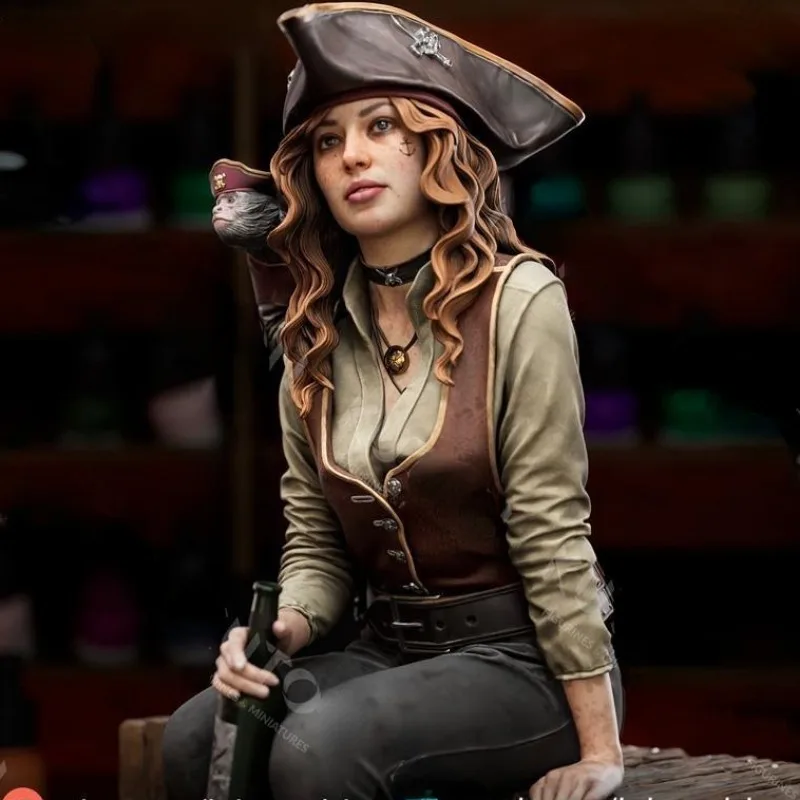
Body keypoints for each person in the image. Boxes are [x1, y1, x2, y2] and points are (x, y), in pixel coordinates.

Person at [162, 4, 625, 799]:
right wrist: (274, 635)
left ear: (435, 145)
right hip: (387, 655)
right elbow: (315, 544)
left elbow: (553, 531)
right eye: (328, 141)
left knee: (317, 748)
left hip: (524, 669)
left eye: (381, 126)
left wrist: (600, 750)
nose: (353, 155)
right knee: (197, 737)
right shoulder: (312, 330)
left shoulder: (520, 301)